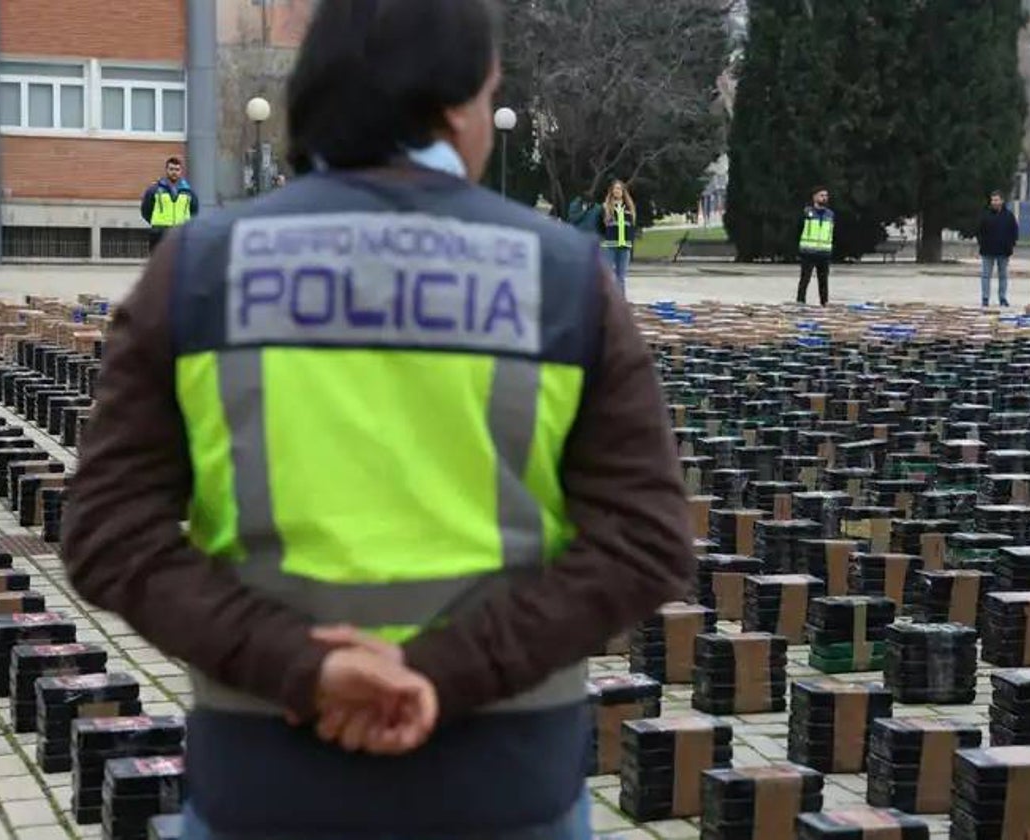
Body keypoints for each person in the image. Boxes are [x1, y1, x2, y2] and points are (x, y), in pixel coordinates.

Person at [61, 1, 693, 838]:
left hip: (270, 772)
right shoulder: (562, 275)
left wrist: (305, 666)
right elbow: (646, 540)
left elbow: (109, 532)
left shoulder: (201, 269)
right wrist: (439, 671)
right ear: (459, 104)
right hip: (503, 774)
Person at [140, 156, 199, 253]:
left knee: (180, 263)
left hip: (181, 233)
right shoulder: (154, 190)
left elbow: (194, 212)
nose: (174, 172)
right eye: (171, 169)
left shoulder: (189, 192)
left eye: (177, 169)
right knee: (159, 264)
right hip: (160, 233)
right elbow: (146, 210)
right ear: (166, 170)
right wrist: (157, 224)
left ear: (180, 171)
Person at [976, 190, 1018, 308]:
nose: (994, 202)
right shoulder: (985, 215)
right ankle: (985, 298)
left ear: (1002, 201)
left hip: (1004, 251)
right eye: (993, 200)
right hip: (987, 250)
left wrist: (1011, 245)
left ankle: (1002, 298)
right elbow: (979, 231)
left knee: (1003, 275)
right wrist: (981, 244)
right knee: (985, 275)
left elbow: (1014, 232)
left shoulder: (1009, 216)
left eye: (997, 200)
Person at [797, 186, 834, 306]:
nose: (824, 198)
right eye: (821, 195)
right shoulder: (807, 212)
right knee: (805, 280)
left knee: (824, 281)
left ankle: (824, 303)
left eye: (826, 196)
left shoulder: (830, 214)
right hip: (808, 252)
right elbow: (798, 229)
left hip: (824, 253)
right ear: (815, 197)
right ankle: (800, 302)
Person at [601, 179, 636, 292]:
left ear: (623, 191)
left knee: (621, 277)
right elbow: (600, 226)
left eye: (619, 188)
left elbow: (631, 227)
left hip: (624, 246)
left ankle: (620, 303)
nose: (617, 191)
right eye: (615, 188)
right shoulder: (606, 207)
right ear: (611, 191)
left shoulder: (629, 207)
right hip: (610, 245)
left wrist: (630, 241)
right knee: (608, 276)